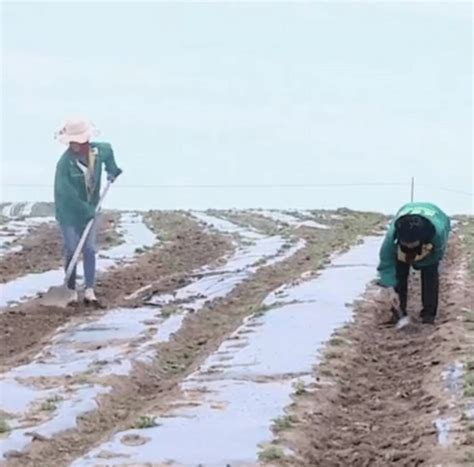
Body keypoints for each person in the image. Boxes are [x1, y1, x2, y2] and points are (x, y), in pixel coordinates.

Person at [54, 117, 122, 305]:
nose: (75, 145)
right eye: (72, 142)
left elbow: (109, 152)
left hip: (91, 209)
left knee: (89, 248)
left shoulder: (99, 151)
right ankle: (70, 290)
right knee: (71, 248)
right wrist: (86, 210)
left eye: (78, 141)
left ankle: (89, 290)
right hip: (68, 212)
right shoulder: (64, 164)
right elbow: (66, 194)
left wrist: (112, 169)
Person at [376, 202, 451, 325]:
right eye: (406, 245)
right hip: (406, 212)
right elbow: (386, 263)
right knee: (399, 272)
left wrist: (420, 262)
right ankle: (398, 311)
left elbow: (436, 257)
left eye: (412, 246)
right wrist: (390, 288)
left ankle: (429, 314)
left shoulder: (438, 234)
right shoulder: (392, 237)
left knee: (429, 273)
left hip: (437, 218)